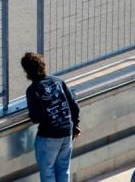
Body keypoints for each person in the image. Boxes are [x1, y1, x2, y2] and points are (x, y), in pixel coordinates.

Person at [21, 52, 81, 182]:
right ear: (43, 66)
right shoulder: (58, 81)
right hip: (67, 132)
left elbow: (35, 118)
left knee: (48, 172)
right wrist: (75, 125)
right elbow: (74, 105)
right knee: (63, 170)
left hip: (48, 136)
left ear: (27, 71)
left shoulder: (33, 89)